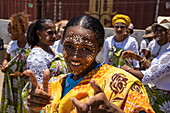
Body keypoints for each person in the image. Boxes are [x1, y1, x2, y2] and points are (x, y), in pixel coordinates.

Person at [23, 15, 154, 113]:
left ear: (99, 48)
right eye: (69, 46)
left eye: (85, 49)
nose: (75, 56)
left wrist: (114, 111)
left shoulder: (122, 83)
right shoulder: (53, 85)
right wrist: (35, 109)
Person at [121, 22, 170, 113]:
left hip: (163, 100)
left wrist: (127, 69)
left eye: (163, 31)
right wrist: (138, 57)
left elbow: (147, 76)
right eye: (157, 30)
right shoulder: (157, 46)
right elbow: (156, 70)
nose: (160, 33)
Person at [0, 12, 30, 113]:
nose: (9, 35)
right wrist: (4, 64)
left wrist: (22, 74)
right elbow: (7, 58)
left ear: (18, 30)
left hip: (26, 82)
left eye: (11, 32)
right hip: (12, 83)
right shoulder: (12, 45)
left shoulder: (30, 45)